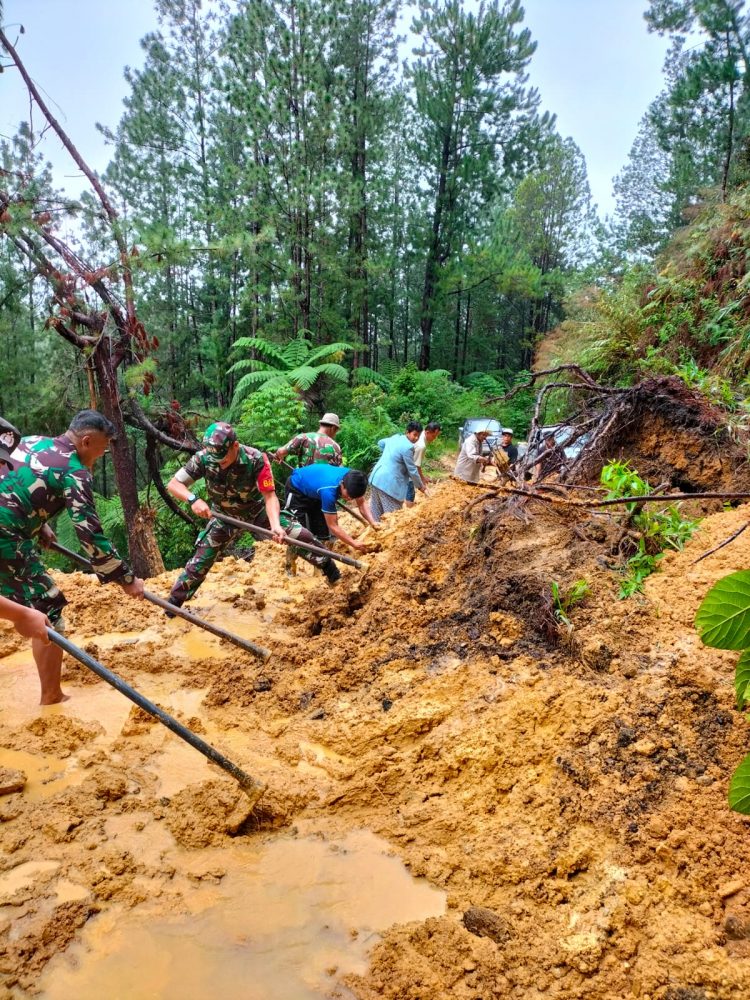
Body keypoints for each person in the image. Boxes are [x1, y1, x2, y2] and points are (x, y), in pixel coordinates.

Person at [0, 410, 145, 705]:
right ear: (87, 441)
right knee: (49, 605)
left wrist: (40, 523)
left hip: (13, 528)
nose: (101, 456)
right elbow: (90, 536)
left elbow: (15, 484)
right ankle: (51, 696)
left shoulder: (31, 441)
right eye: (102, 449)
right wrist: (126, 578)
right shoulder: (74, 471)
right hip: (6, 536)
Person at [167, 422, 342, 605]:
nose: (219, 462)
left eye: (223, 458)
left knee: (300, 535)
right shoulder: (203, 458)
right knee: (200, 561)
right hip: (224, 515)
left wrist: (275, 525)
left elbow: (269, 496)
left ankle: (332, 573)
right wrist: (193, 499)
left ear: (235, 446)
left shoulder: (256, 458)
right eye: (215, 458)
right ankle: (173, 605)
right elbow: (174, 484)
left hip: (256, 511)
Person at [285, 465, 378, 553]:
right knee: (296, 531)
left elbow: (361, 503)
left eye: (353, 497)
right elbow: (333, 526)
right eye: (349, 495)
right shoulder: (328, 492)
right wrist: (353, 543)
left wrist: (373, 522)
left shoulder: (355, 480)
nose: (350, 499)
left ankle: (322, 556)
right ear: (342, 484)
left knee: (322, 531)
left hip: (316, 489)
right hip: (297, 488)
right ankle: (291, 564)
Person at [369, 422, 425, 523]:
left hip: (376, 478)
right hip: (390, 485)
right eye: (414, 434)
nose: (416, 438)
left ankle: (374, 537)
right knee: (393, 520)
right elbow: (412, 470)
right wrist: (421, 487)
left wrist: (389, 454)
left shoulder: (395, 438)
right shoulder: (408, 447)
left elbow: (380, 443)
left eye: (418, 436)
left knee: (375, 515)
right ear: (407, 432)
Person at [273, 413, 342, 468]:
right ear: (333, 428)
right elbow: (340, 470)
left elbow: (281, 451)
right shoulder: (335, 446)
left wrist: (278, 456)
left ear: (320, 424)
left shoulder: (303, 437)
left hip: (304, 483)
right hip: (325, 485)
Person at [405, 421, 442, 507]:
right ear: (427, 432)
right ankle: (408, 512)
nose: (434, 438)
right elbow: (416, 466)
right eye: (433, 436)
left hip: (408, 467)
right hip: (408, 471)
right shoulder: (421, 445)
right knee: (410, 493)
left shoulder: (420, 435)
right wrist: (422, 479)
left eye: (436, 436)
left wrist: (422, 478)